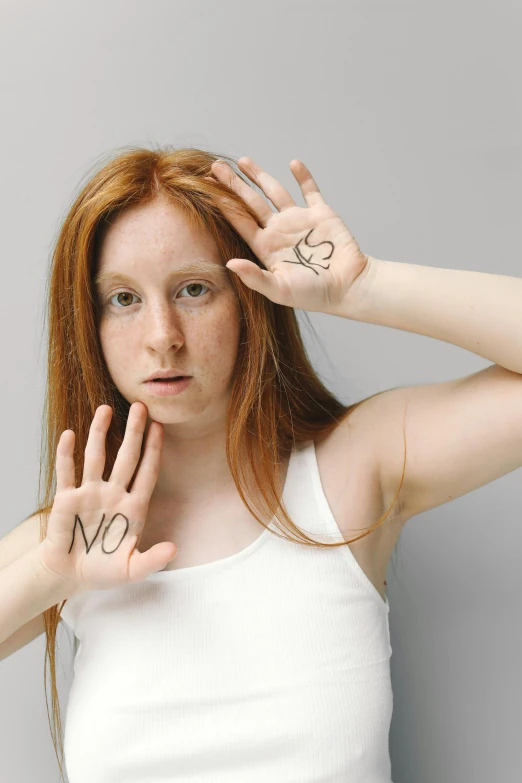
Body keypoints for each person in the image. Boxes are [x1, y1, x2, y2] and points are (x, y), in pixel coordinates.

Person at [1, 145, 521, 783]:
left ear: (247, 299)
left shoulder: (352, 470)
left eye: (194, 289)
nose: (163, 334)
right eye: (124, 299)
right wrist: (50, 576)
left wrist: (366, 287)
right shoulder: (77, 539)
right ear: (90, 322)